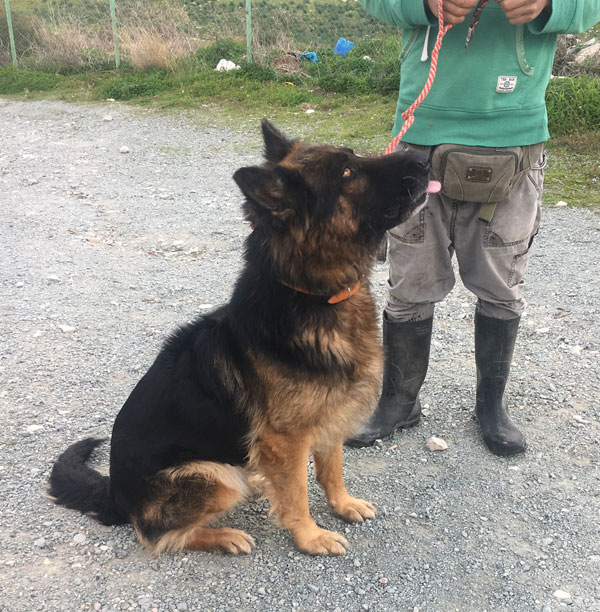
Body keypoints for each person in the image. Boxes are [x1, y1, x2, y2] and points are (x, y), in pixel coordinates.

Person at [347, 0, 600, 454]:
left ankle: (491, 407)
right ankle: (399, 402)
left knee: (501, 287)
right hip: (419, 139)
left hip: (515, 143)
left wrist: (550, 6)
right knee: (409, 286)